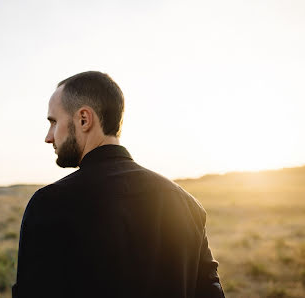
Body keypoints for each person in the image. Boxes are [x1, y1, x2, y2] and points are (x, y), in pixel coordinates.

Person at [12, 71, 225, 298]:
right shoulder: (186, 205)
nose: (49, 136)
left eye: (54, 122)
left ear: (84, 119)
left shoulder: (48, 205)